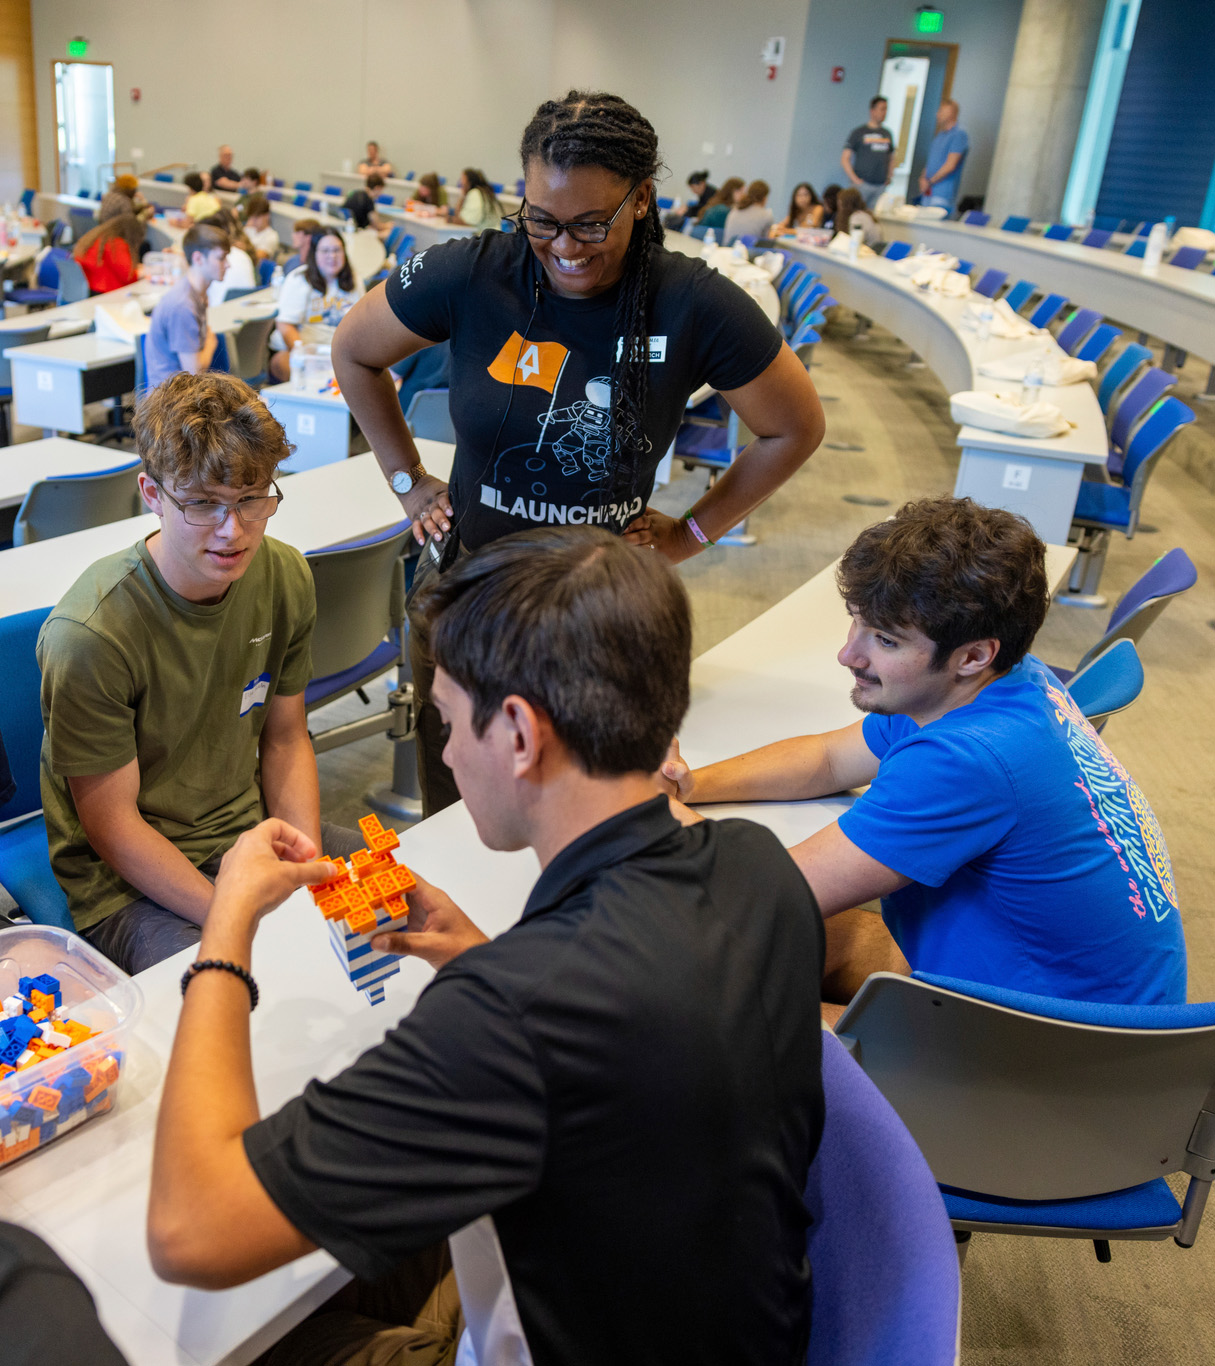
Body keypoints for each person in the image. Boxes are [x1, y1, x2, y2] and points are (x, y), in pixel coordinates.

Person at [146, 526, 826, 1366]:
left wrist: (226, 931)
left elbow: (190, 1230)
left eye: (443, 721)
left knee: (212, 1344)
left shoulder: (512, 1015)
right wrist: (476, 951)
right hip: (725, 1321)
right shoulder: (755, 865)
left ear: (515, 731)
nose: (448, 754)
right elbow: (626, 1050)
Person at [333, 90, 824, 816]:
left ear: (641, 200)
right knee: (459, 815)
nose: (565, 246)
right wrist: (407, 480)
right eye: (543, 221)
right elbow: (352, 351)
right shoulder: (473, 271)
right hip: (469, 593)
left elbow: (794, 427)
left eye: (592, 223)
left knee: (584, 815)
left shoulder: (689, 300)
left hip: (598, 615)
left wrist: (690, 533)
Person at [660, 497, 1187, 1011]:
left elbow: (756, 895)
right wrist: (692, 784)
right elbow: (828, 759)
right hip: (1051, 988)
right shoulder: (1007, 682)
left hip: (1050, 1055)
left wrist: (643, 802)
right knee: (726, 952)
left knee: (697, 1008)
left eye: (885, 640)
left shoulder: (968, 759)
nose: (849, 654)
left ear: (974, 654)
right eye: (857, 622)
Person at [37, 372, 365, 976]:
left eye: (251, 498)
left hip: (248, 827)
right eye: (202, 503)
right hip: (127, 884)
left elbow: (286, 737)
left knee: (396, 903)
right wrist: (233, 911)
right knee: (233, 991)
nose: (232, 529)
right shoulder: (91, 635)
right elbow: (113, 828)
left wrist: (301, 862)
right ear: (152, 494)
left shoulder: (284, 575)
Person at [269, 230, 365, 381]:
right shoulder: (299, 279)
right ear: (314, 254)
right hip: (305, 351)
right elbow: (285, 325)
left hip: (339, 354)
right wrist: (305, 357)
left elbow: (361, 323)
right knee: (283, 362)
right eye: (325, 251)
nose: (332, 256)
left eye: (337, 250)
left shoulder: (354, 280)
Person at [142, 223, 228, 388]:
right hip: (170, 405)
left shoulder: (198, 294)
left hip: (183, 395)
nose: (228, 264)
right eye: (221, 258)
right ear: (198, 258)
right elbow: (194, 373)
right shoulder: (183, 305)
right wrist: (211, 343)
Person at [841, 96, 897, 210]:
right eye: (882, 109)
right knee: (856, 214)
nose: (884, 112)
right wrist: (855, 180)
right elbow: (845, 158)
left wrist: (889, 176)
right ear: (872, 110)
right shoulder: (859, 132)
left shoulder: (887, 134)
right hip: (862, 185)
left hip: (880, 186)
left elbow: (891, 157)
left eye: (886, 109)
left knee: (872, 219)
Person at [72, 214, 145, 294]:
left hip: (89, 287)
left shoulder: (96, 238)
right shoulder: (115, 243)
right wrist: (143, 271)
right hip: (106, 292)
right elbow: (128, 276)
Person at [919, 99, 969, 213]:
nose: (937, 114)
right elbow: (931, 161)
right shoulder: (940, 135)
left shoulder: (959, 135)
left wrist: (930, 182)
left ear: (951, 113)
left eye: (941, 111)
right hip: (927, 192)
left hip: (942, 194)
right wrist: (923, 178)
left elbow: (950, 165)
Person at [198, 209, 257, 304]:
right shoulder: (241, 253)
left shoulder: (211, 259)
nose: (227, 265)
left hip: (219, 312)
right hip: (247, 309)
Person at [448, 167, 502, 233]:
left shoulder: (475, 193)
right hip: (493, 235)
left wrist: (449, 219)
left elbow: (467, 221)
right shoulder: (484, 191)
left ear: (469, 182)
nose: (461, 182)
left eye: (462, 179)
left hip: (485, 237)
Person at [724, 179, 774, 245]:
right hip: (749, 252)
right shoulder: (766, 215)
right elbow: (766, 242)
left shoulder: (735, 209)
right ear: (765, 198)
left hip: (728, 250)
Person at [242, 193, 280, 259]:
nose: (253, 221)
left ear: (267, 216)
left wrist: (243, 246)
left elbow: (257, 257)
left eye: (256, 217)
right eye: (251, 217)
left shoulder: (272, 236)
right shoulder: (248, 229)